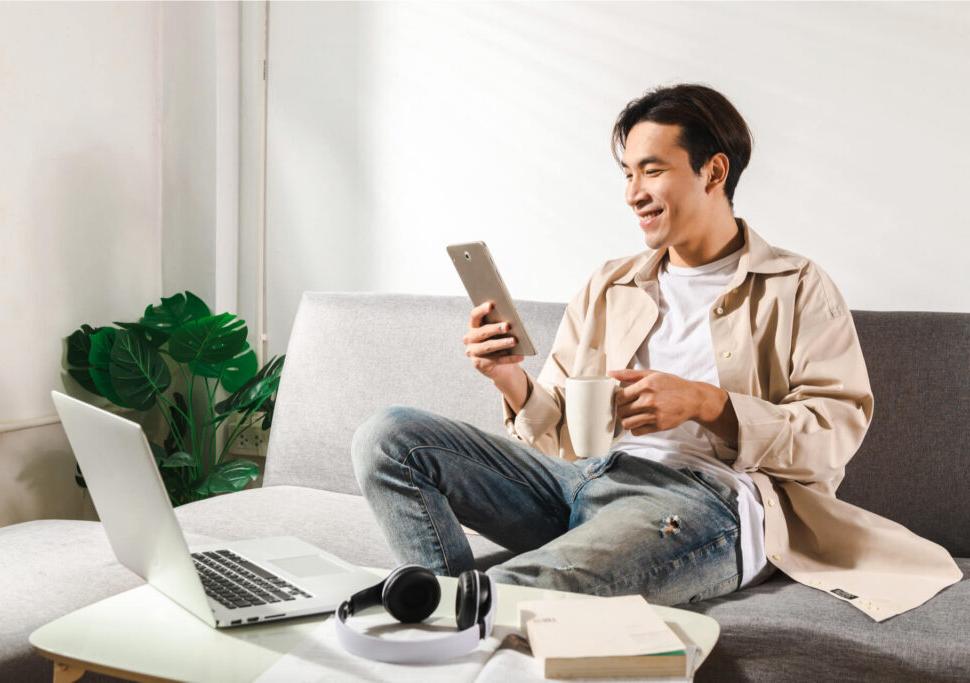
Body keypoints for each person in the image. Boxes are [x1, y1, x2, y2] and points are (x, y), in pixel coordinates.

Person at [351, 84, 960, 620]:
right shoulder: (611, 283)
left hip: (708, 500)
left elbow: (835, 432)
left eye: (650, 170)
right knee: (390, 436)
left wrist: (707, 403)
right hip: (585, 480)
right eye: (625, 173)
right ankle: (451, 619)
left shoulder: (796, 285)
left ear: (713, 172)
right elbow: (563, 431)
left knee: (520, 589)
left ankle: (443, 619)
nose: (632, 192)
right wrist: (509, 378)